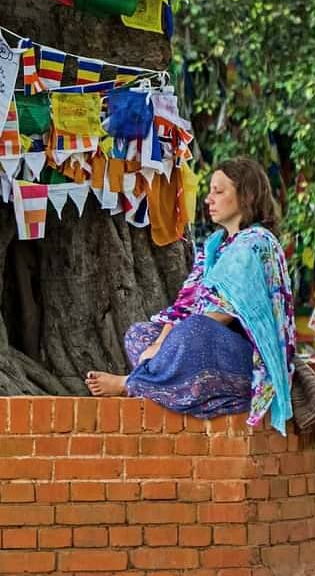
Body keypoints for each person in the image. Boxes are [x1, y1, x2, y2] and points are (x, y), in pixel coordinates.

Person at [86, 157, 295, 434]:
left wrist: (168, 345)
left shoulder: (258, 243)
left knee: (196, 330)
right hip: (201, 348)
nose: (209, 199)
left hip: (244, 361)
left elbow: (221, 313)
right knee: (138, 334)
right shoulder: (213, 246)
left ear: (247, 196)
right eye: (210, 191)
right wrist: (159, 343)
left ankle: (132, 384)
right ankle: (175, 385)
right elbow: (185, 305)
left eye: (219, 191)